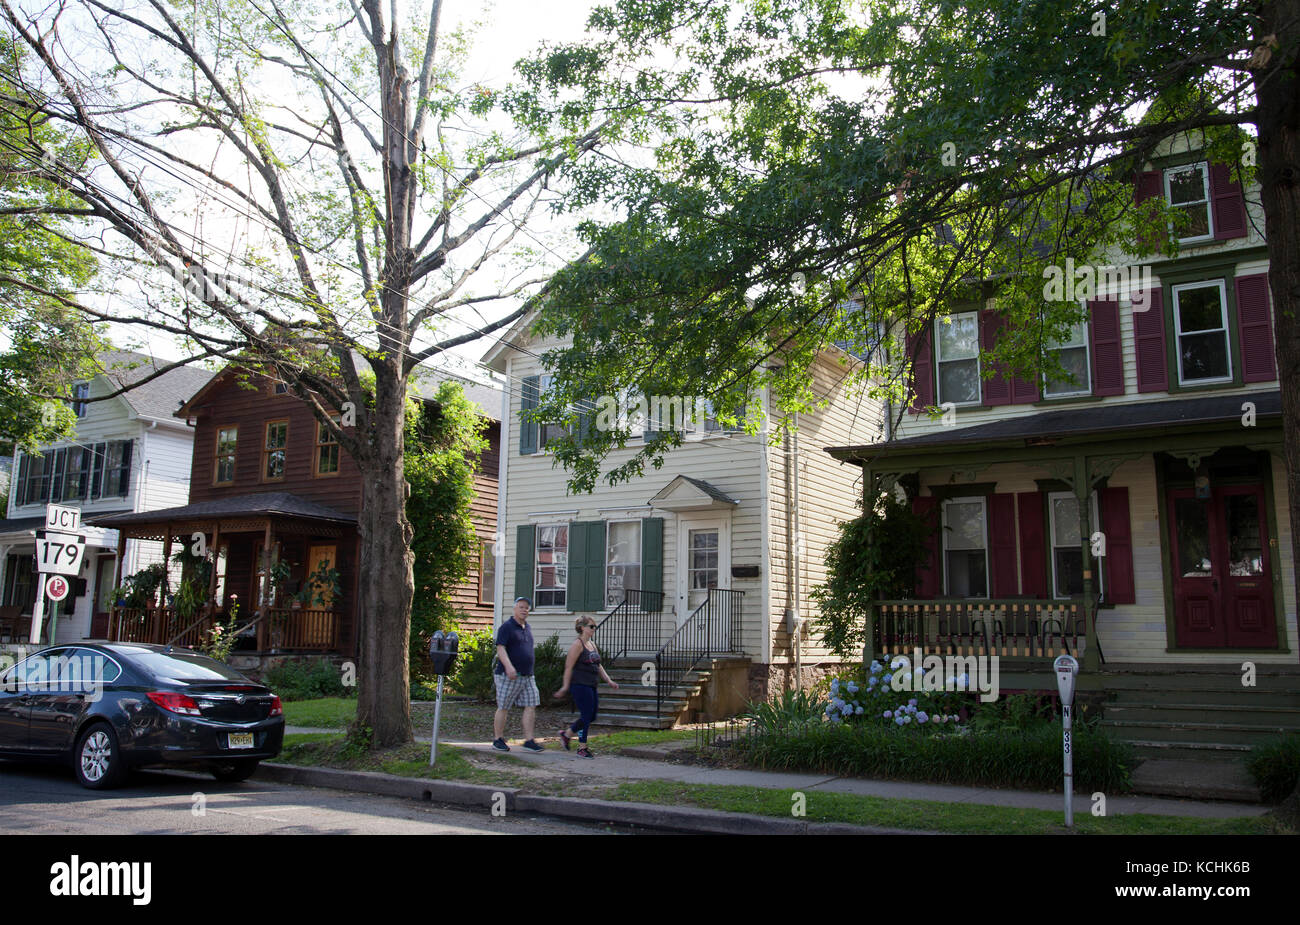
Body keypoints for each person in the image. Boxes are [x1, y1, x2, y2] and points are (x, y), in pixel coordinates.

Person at [555, 616, 618, 758]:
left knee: (592, 715)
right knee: (586, 715)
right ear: (582, 628)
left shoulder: (592, 644)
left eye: (594, 626)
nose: (594, 629)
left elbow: (598, 664)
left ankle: (567, 734)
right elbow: (568, 667)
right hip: (579, 685)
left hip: (591, 684)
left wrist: (608, 680)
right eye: (591, 626)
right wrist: (565, 687)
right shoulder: (577, 645)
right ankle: (582, 748)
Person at [492, 597, 544, 751]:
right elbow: (500, 648)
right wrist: (509, 667)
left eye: (527, 608)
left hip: (528, 676)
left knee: (531, 704)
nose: (524, 610)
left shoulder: (526, 627)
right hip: (507, 675)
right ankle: (498, 739)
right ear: (514, 609)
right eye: (521, 607)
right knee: (503, 706)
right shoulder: (507, 627)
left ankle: (529, 740)